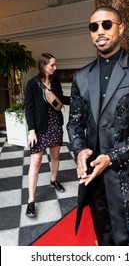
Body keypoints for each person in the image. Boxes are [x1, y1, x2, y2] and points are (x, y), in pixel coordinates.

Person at [67, 6, 129, 246]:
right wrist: (79, 150)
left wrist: (111, 156)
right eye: (93, 26)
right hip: (94, 177)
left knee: (128, 240)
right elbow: (74, 123)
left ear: (121, 28)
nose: (100, 31)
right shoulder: (81, 76)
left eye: (107, 24)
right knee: (103, 237)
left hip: (126, 175)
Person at [25, 53, 70, 217]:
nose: (55, 68)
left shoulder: (55, 81)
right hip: (39, 128)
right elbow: (29, 109)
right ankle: (31, 201)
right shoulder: (32, 84)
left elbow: (61, 99)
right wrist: (31, 131)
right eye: (52, 65)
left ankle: (53, 180)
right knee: (35, 161)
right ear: (44, 66)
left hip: (55, 125)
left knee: (56, 155)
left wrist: (78, 99)